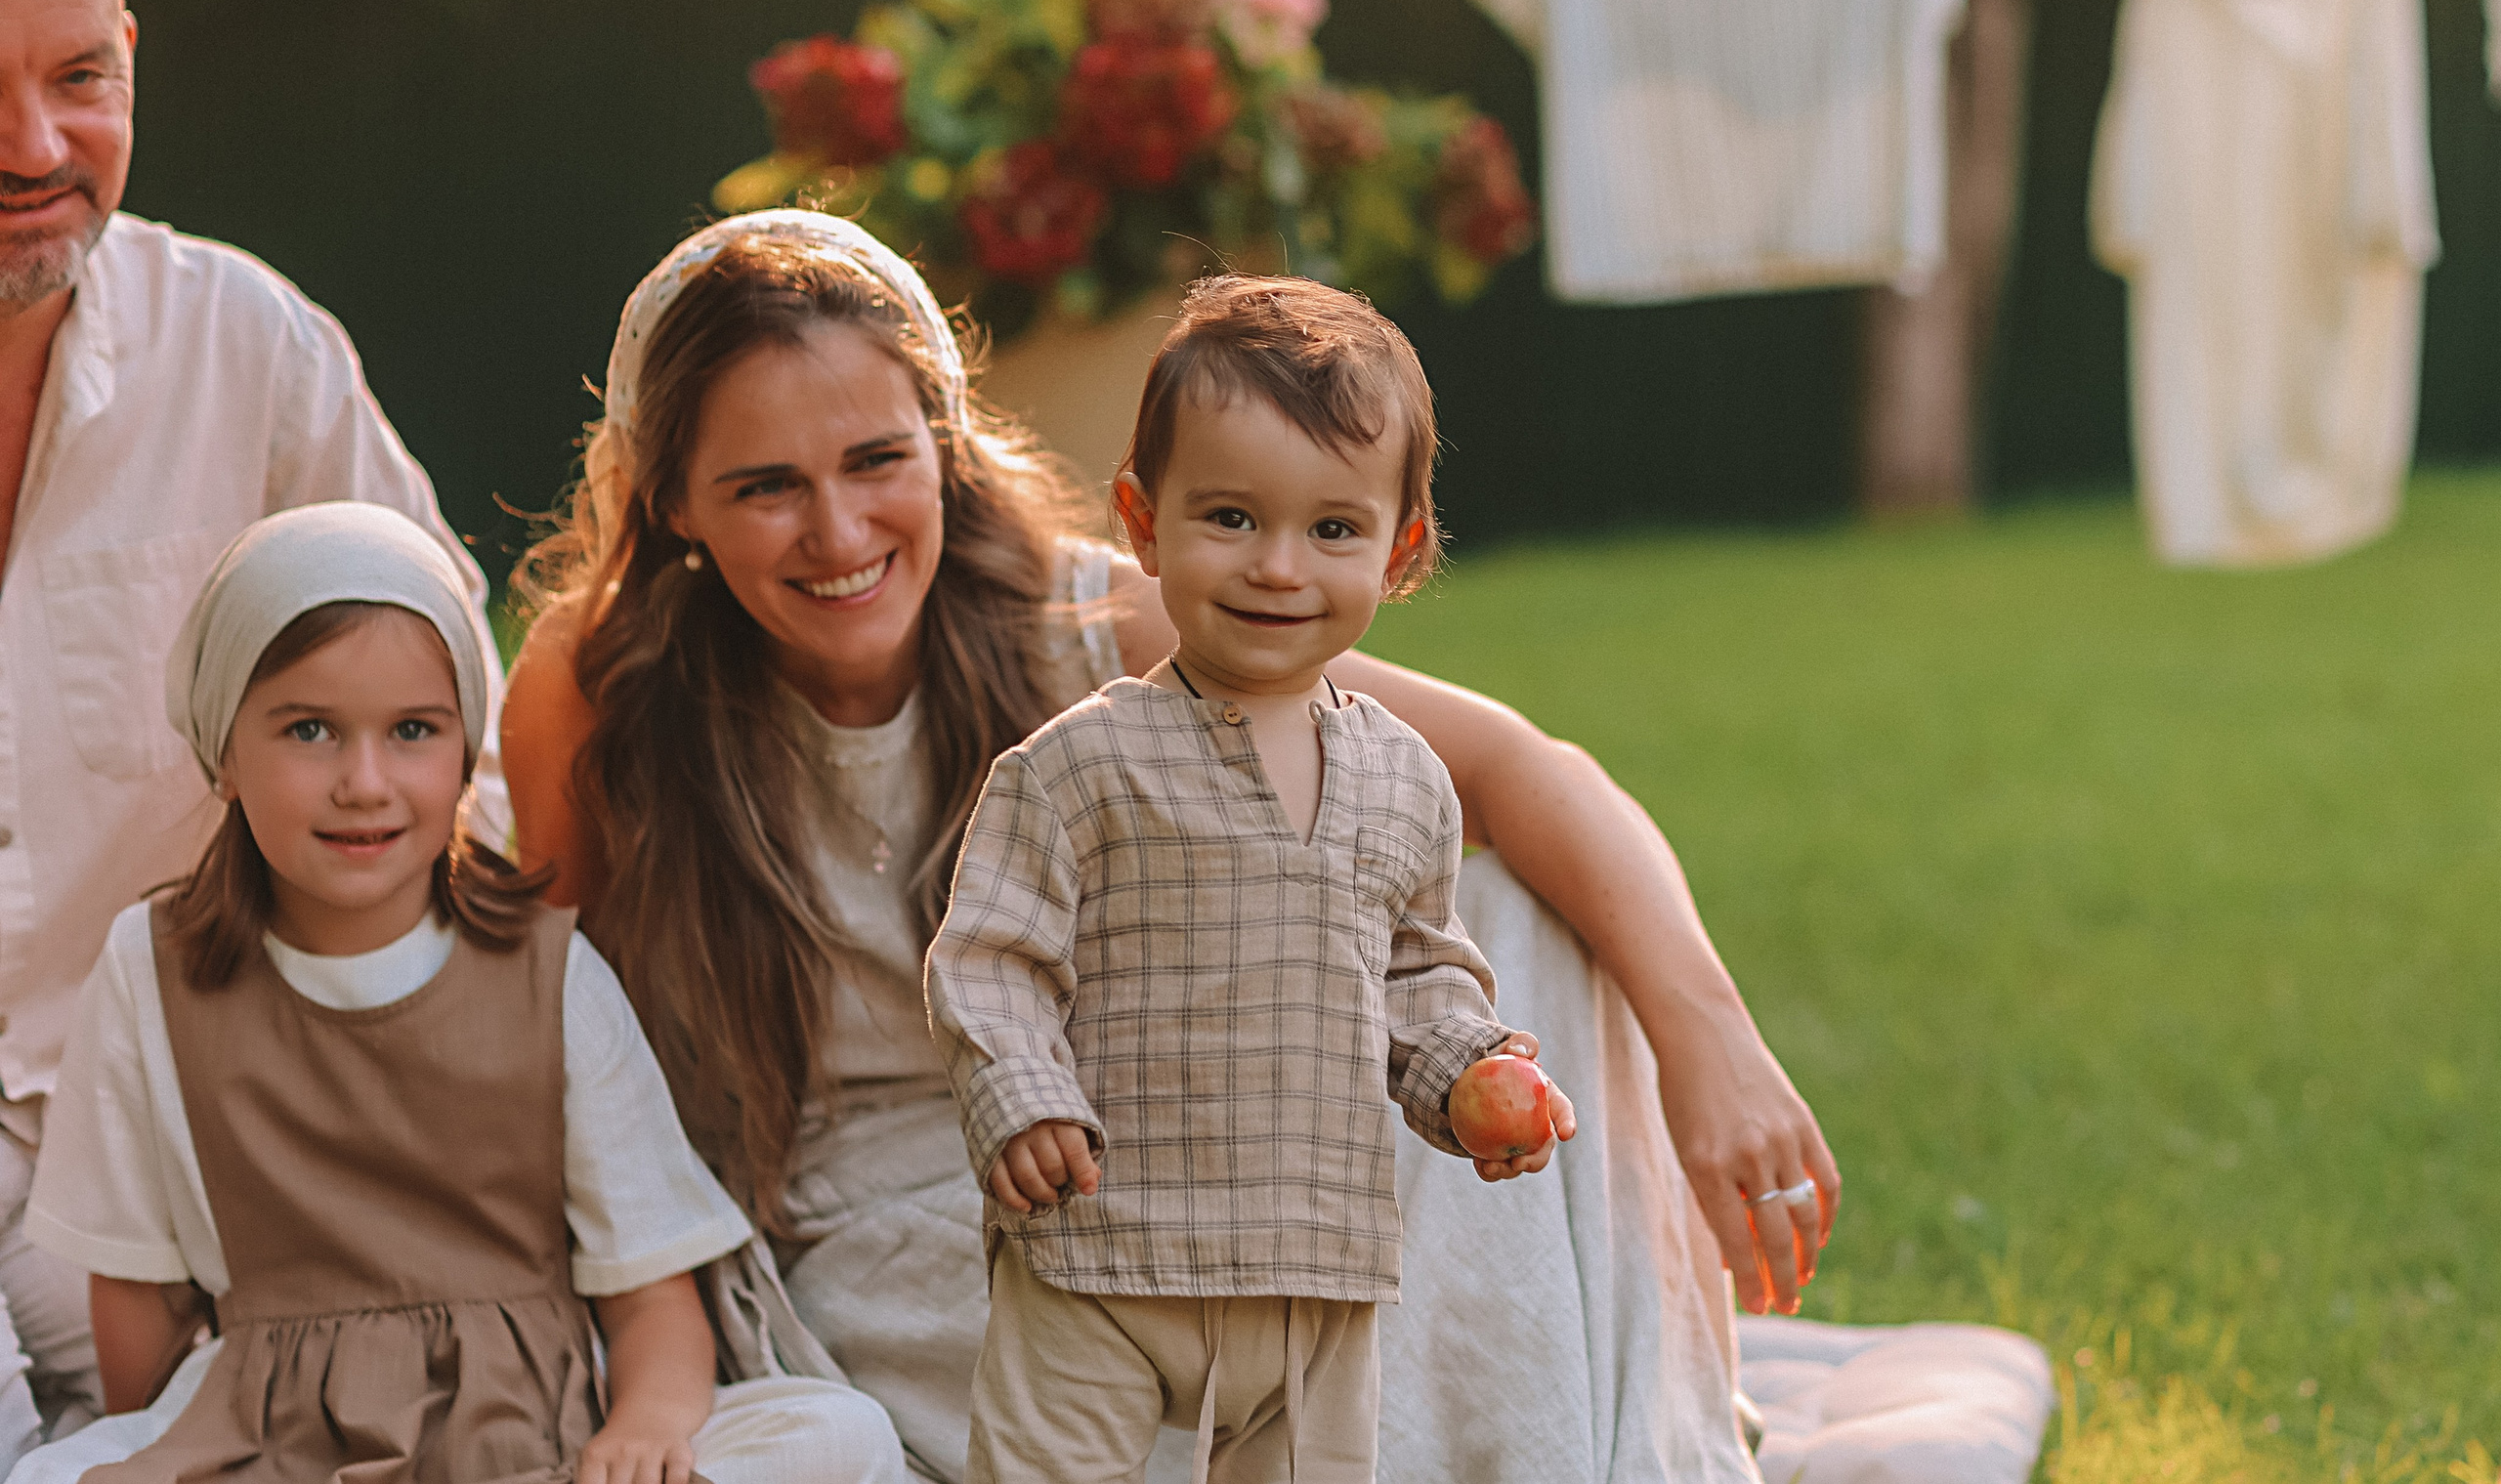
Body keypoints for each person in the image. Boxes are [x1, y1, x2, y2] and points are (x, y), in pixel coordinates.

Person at [502, 210, 1835, 1484]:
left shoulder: (1078, 627)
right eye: (764, 487)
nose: (840, 533)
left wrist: (1711, 1045)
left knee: (1511, 918)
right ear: (673, 498)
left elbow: (1521, 766)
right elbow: (559, 1037)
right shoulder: (603, 686)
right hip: (887, 1238)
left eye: (874, 461)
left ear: (943, 439)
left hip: (1178, 1133)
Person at [9, 502, 902, 1484]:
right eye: (309, 729)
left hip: (534, 1430)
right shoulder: (154, 965)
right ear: (223, 749)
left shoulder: (544, 968)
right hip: (270, 1436)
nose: (365, 779)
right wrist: (160, 1448)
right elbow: (136, 1296)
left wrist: (640, 1430)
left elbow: (652, 1296)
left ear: (462, 751)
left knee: (836, 1432)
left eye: (412, 731)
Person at [0, 0, 501, 1463]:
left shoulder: (252, 352)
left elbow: (454, 745)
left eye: (79, 75)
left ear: (130, 54)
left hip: (178, 1107)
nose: (35, 144)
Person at [927, 276, 1574, 1483]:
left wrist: (1471, 1070)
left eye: (1332, 529)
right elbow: (990, 955)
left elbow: (1417, 971)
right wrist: (1020, 1091)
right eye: (1228, 516)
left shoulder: (1407, 782)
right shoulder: (1075, 764)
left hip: (1311, 1259)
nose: (1278, 565)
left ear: (1400, 552)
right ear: (1140, 520)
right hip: (1102, 1246)